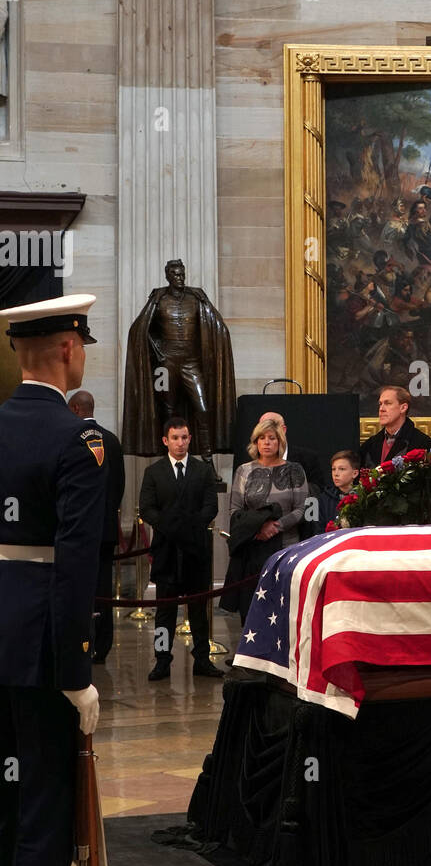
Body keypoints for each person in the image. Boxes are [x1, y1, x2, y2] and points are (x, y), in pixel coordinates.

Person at [0, 293, 105, 866]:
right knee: (42, 819)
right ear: (68, 349)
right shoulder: (77, 441)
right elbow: (75, 569)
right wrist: (77, 673)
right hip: (38, 653)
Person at [122, 259, 236, 475]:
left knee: (202, 409)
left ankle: (208, 460)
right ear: (168, 276)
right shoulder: (158, 299)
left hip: (191, 363)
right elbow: (140, 329)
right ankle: (169, 462)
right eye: (175, 274)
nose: (180, 278)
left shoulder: (196, 298)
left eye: (182, 274)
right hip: (167, 364)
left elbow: (217, 326)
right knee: (168, 411)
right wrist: (157, 349)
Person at [139, 416, 222, 681]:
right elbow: (147, 508)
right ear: (166, 440)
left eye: (185, 437)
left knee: (198, 611)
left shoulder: (202, 470)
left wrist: (190, 526)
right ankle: (162, 660)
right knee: (164, 613)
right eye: (175, 438)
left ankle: (202, 659)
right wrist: (171, 526)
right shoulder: (154, 472)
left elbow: (211, 506)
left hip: (195, 550)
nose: (180, 443)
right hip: (166, 551)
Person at [225, 417, 309, 621]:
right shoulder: (244, 470)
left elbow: (301, 510)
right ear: (255, 443)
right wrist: (257, 530)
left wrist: (275, 527)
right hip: (253, 548)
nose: (267, 442)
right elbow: (235, 510)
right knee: (252, 609)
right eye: (261, 438)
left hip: (286, 548)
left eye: (272, 438)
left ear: (280, 442)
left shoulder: (294, 470)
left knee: (282, 608)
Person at [67, 390, 125, 665]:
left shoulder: (69, 439)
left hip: (77, 531)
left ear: (76, 408)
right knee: (103, 590)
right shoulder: (111, 441)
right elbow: (120, 486)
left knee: (78, 588)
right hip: (105, 529)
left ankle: (80, 643)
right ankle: (102, 646)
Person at [360, 385, 431, 467]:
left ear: (403, 408)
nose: (381, 409)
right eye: (380, 404)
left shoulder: (422, 443)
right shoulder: (369, 444)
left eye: (387, 403)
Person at [318, 450, 361, 529]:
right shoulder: (322, 499)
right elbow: (317, 530)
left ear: (355, 473)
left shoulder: (364, 498)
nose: (336, 474)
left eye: (342, 469)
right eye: (333, 469)